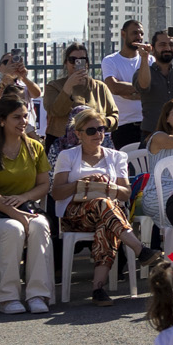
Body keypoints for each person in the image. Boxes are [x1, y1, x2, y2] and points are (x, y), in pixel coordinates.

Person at [53, 111, 150, 304]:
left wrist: (109, 187)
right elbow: (56, 193)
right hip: (76, 214)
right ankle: (140, 249)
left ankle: (98, 288)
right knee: (105, 207)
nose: (98, 134)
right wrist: (82, 183)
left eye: (101, 129)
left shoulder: (117, 157)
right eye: (91, 130)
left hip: (109, 214)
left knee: (106, 220)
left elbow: (125, 194)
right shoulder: (68, 156)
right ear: (79, 134)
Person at [0, 102, 55, 314]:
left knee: (40, 226)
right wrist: (16, 214)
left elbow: (44, 185)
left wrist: (23, 198)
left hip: (27, 206)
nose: (23, 121)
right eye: (17, 117)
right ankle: (8, 297)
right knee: (13, 229)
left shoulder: (35, 148)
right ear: (2, 121)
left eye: (25, 116)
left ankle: (37, 294)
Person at [102, 20, 150, 146]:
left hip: (148, 125)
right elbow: (114, 87)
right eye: (134, 33)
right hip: (123, 127)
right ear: (123, 34)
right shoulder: (110, 61)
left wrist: (130, 93)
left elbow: (155, 88)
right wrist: (143, 90)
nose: (139, 37)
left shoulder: (149, 60)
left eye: (141, 33)